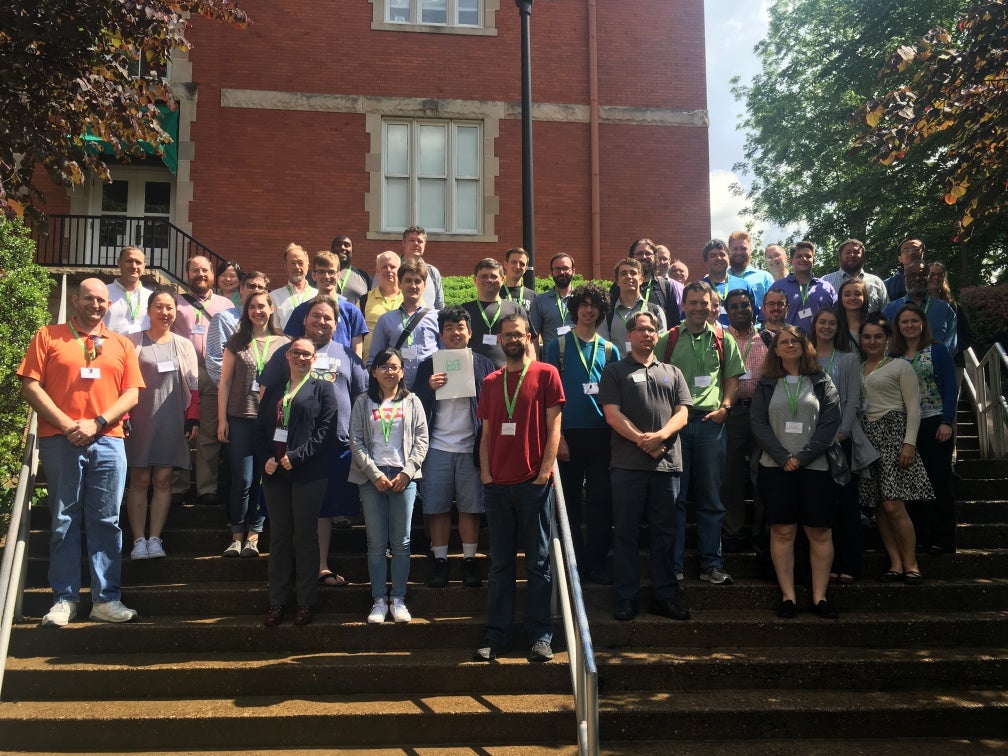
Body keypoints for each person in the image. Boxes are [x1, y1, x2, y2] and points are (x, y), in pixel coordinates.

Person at [19, 278, 144, 626]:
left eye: (101, 300)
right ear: (75, 300)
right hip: (61, 439)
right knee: (63, 520)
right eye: (88, 298)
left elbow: (132, 393)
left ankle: (105, 599)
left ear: (109, 304)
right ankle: (64, 599)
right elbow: (30, 385)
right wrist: (67, 424)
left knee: (107, 520)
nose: (95, 305)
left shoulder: (121, 344)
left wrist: (97, 422)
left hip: (109, 439)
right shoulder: (48, 335)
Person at [259, 296, 370, 587]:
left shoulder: (347, 355)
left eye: (328, 318)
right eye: (316, 316)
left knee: (323, 510)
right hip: (291, 449)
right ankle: (288, 569)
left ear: (336, 325)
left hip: (335, 445)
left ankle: (318, 566)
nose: (322, 322)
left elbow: (361, 396)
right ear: (304, 320)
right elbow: (267, 396)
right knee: (289, 513)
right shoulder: (289, 352)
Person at [474, 314, 564, 663]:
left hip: (532, 483)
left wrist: (544, 472)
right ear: (499, 340)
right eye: (506, 335)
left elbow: (554, 427)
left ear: (531, 336)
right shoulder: (492, 381)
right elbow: (485, 433)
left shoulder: (546, 374)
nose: (512, 339)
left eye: (518, 334)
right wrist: (485, 474)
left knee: (539, 564)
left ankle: (540, 636)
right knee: (500, 565)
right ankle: (496, 636)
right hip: (497, 485)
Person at [600, 310, 691, 622]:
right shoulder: (615, 371)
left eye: (652, 330)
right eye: (640, 330)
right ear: (629, 335)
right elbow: (612, 415)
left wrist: (662, 436)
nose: (647, 334)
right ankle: (626, 598)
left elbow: (683, 413)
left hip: (667, 466)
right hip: (628, 467)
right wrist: (644, 440)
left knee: (665, 534)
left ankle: (664, 597)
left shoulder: (673, 372)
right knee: (625, 533)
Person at [750, 325, 842, 619]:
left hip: (815, 467)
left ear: (805, 346)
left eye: (795, 341)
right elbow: (758, 424)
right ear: (775, 350)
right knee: (783, 530)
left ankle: (819, 597)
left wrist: (802, 457)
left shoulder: (821, 381)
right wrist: (782, 457)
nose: (790, 345)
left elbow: (830, 423)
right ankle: (788, 597)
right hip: (775, 468)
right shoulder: (766, 384)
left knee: (819, 530)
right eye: (783, 342)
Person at [659, 281, 746, 585]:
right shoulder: (667, 339)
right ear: (683, 305)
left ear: (712, 306)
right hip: (677, 427)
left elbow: (733, 378)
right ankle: (673, 564)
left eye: (704, 303)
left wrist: (725, 407)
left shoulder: (724, 338)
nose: (698, 308)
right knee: (676, 499)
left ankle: (712, 563)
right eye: (692, 302)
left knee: (711, 498)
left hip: (712, 424)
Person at [255, 337, 337, 627]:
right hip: (276, 473)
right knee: (278, 538)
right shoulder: (275, 390)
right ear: (287, 356)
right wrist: (265, 456)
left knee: (305, 537)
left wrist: (298, 456)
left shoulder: (324, 389)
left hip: (308, 472)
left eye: (307, 354)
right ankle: (277, 601)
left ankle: (305, 601)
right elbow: (261, 428)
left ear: (315, 359)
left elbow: (326, 431)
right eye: (296, 353)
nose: (301, 358)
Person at [543, 283, 621, 584]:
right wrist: (557, 437)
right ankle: (573, 562)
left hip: (601, 435)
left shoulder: (610, 349)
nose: (588, 310)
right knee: (570, 501)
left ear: (601, 311)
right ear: (575, 308)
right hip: (568, 435)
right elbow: (550, 397)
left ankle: (597, 563)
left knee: (602, 500)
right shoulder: (558, 346)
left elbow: (614, 396)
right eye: (583, 304)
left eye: (594, 305)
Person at [414, 307, 497, 588]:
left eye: (460, 327)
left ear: (470, 332)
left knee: (470, 508)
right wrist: (428, 387)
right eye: (448, 328)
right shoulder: (429, 364)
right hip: (436, 446)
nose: (455, 332)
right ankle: (440, 561)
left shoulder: (484, 365)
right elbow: (414, 405)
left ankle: (470, 560)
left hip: (471, 447)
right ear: (441, 334)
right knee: (436, 507)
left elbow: (494, 406)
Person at [350, 347, 429, 624]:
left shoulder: (413, 401)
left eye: (394, 367)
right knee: (375, 543)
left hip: (403, 478)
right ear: (373, 371)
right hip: (372, 479)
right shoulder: (362, 402)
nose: (389, 371)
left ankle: (398, 598)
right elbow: (356, 442)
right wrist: (374, 474)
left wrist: (407, 473)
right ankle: (378, 600)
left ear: (403, 371)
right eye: (383, 366)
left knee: (402, 542)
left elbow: (422, 440)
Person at [124, 286, 200, 560]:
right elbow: (121, 383)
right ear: (149, 310)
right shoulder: (131, 341)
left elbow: (193, 384)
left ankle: (155, 538)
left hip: (171, 419)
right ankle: (137, 540)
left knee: (164, 479)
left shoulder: (184, 344)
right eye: (159, 307)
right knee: (140, 479)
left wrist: (193, 417)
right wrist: (122, 417)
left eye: (170, 308)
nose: (165, 312)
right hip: (139, 419)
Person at [858, 315, 934, 585]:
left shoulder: (900, 366)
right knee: (879, 505)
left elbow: (914, 407)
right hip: (867, 438)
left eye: (878, 336)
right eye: (866, 337)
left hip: (894, 434)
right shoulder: (858, 368)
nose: (872, 341)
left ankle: (911, 563)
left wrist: (909, 443)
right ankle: (895, 562)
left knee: (894, 504)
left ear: (887, 338)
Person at [217, 290, 289, 557]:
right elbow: (224, 382)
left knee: (265, 478)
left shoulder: (284, 342)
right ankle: (236, 534)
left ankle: (254, 534)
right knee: (243, 478)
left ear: (271, 308)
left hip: (271, 422)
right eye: (252, 307)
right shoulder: (236, 342)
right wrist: (222, 419)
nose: (257, 311)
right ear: (246, 312)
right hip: (240, 418)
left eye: (262, 306)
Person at [809, 307, 876, 582]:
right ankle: (826, 563)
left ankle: (849, 563)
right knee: (820, 505)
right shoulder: (805, 357)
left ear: (838, 328)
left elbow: (852, 399)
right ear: (815, 326)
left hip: (840, 440)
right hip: (811, 442)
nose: (826, 327)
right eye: (822, 322)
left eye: (832, 323)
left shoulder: (848, 359)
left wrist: (843, 432)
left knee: (847, 502)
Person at [891, 303, 957, 555]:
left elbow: (950, 387)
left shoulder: (938, 350)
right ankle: (921, 537)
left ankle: (944, 538)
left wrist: (947, 421)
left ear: (922, 324)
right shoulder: (895, 356)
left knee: (939, 481)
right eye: (904, 322)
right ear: (898, 326)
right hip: (907, 425)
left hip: (934, 421)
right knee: (914, 483)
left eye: (914, 321)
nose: (909, 326)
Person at [173, 256, 233, 506]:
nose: (200, 274)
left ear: (212, 275)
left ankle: (206, 487)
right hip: (180, 371)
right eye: (194, 270)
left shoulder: (226, 304)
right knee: (178, 429)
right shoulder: (174, 303)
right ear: (187, 273)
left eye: (205, 270)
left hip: (212, 371)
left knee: (209, 430)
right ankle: (177, 485)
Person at [722, 288, 770, 553]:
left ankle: (762, 531)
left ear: (754, 308)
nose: (740, 310)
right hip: (732, 412)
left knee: (762, 472)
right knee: (731, 474)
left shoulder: (767, 338)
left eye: (745, 305)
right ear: (727, 310)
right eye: (734, 306)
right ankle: (732, 529)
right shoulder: (719, 338)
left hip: (761, 412)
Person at [368, 256, 440, 388]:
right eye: (408, 281)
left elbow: (445, 356)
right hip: (396, 390)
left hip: (429, 389)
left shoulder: (437, 318)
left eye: (417, 281)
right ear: (400, 283)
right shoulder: (385, 320)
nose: (413, 286)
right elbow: (374, 361)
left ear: (425, 285)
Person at [284, 251, 368, 358]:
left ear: (338, 275)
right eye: (321, 272)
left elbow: (357, 352)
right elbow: (293, 347)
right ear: (313, 275)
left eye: (331, 272)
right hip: (309, 370)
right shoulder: (301, 310)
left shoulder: (352, 311)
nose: (327, 276)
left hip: (341, 370)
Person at [205, 271, 271, 386]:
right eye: (251, 286)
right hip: (233, 393)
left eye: (260, 287)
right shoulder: (224, 319)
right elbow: (215, 360)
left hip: (264, 392)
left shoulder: (269, 323)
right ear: (241, 289)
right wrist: (234, 388)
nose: (255, 290)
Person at [463, 258, 531, 368]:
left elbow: (528, 343)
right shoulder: (464, 310)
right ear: (475, 280)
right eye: (483, 276)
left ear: (502, 279)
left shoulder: (516, 309)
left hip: (509, 373)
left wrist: (530, 369)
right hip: (473, 374)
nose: (489, 280)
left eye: (494, 276)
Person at [883, 260, 957, 355]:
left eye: (922, 275)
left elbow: (951, 345)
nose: (917, 278)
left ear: (928, 278)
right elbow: (882, 340)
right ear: (904, 279)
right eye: (912, 275)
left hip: (936, 367)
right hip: (900, 368)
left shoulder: (944, 309)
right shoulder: (890, 309)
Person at [766, 241, 836, 334]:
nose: (804, 259)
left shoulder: (826, 287)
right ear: (791, 261)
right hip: (790, 345)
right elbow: (766, 320)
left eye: (808, 256)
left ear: (813, 261)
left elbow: (838, 316)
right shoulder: (778, 287)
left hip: (821, 345)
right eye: (799, 256)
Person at [599, 257, 666, 353]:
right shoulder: (606, 314)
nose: (629, 276)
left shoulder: (656, 311)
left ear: (641, 279)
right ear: (617, 281)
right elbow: (604, 348)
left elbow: (661, 346)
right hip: (617, 367)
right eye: (623, 273)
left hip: (647, 366)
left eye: (633, 273)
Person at [928, 261, 973, 384]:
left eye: (940, 274)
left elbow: (967, 334)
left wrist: (953, 349)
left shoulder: (952, 305)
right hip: (923, 363)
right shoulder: (917, 304)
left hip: (953, 363)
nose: (936, 277)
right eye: (932, 274)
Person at [821, 239, 889, 314]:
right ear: (840, 256)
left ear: (863, 257)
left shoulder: (877, 282)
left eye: (856, 252)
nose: (852, 255)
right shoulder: (826, 281)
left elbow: (886, 313)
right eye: (848, 252)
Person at [624, 239, 681, 328]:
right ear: (632, 257)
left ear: (655, 257)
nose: (644, 257)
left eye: (648, 253)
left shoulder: (665, 286)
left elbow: (674, 323)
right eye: (639, 253)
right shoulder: (620, 285)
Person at [701, 239, 756, 327]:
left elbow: (754, 315)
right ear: (706, 261)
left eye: (722, 254)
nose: (718, 258)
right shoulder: (698, 288)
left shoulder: (744, 285)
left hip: (740, 338)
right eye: (713, 255)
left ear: (729, 259)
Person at [529, 252, 576, 352]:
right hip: (551, 360)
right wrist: (536, 360)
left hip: (578, 358)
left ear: (573, 271)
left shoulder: (582, 299)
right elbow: (534, 335)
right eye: (557, 269)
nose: (562, 272)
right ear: (552, 272)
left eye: (566, 268)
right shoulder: (540, 301)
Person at [361, 251, 403, 358]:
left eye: (392, 267)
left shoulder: (410, 300)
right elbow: (355, 334)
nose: (389, 270)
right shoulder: (364, 300)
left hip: (403, 367)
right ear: (377, 271)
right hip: (371, 365)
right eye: (384, 267)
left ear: (400, 271)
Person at [104, 245, 153, 335]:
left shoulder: (151, 297)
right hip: (111, 347)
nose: (134, 266)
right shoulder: (104, 292)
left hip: (142, 348)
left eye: (138, 262)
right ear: (119, 262)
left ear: (144, 266)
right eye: (129, 261)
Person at [270, 243, 317, 330]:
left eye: (300, 263)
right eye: (292, 263)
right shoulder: (273, 297)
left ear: (308, 265)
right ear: (285, 266)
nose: (297, 267)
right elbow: (274, 328)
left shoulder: (318, 295)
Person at [402, 225, 444, 309]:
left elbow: (439, 305)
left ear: (425, 244)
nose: (416, 244)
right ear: (403, 243)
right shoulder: (391, 270)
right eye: (412, 240)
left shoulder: (432, 272)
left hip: (427, 321)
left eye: (420, 241)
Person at [728, 231, 774, 308]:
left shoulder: (765, 278)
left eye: (743, 248)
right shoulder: (720, 278)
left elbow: (772, 306)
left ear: (750, 251)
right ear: (729, 251)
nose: (739, 252)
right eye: (735, 249)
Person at [331, 234, 372, 309]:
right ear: (332, 249)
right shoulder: (320, 274)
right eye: (338, 244)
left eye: (347, 245)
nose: (342, 247)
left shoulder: (365, 277)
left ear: (352, 251)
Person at [884, 237, 925, 301]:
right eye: (906, 250)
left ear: (923, 254)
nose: (911, 252)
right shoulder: (888, 285)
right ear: (900, 258)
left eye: (916, 249)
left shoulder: (933, 279)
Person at [836, 279, 870, 356]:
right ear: (840, 298)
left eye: (857, 294)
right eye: (847, 295)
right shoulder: (835, 327)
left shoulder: (873, 324)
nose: (852, 298)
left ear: (865, 297)